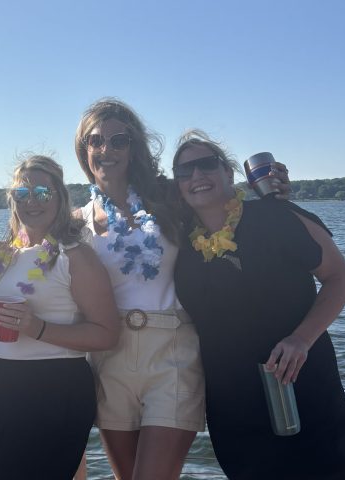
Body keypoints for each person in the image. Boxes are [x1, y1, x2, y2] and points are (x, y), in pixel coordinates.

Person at [171, 130, 345, 479]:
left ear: (229, 173)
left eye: (206, 165)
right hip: (232, 400)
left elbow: (341, 278)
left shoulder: (278, 217)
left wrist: (301, 340)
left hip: (302, 378)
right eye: (185, 171)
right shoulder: (177, 242)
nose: (197, 176)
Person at [74, 98, 206, 480]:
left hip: (173, 351)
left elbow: (223, 203)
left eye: (119, 140)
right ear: (84, 150)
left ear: (134, 147)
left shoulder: (169, 199)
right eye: (95, 141)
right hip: (109, 356)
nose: (107, 150)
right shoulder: (73, 223)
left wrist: (273, 187)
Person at [0, 155, 119, 480]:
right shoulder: (4, 254)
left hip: (55, 387)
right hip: (2, 384)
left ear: (60, 196)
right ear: (11, 199)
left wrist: (38, 328)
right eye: (22, 194)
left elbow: (107, 334)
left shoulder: (75, 254)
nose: (32, 201)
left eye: (42, 193)